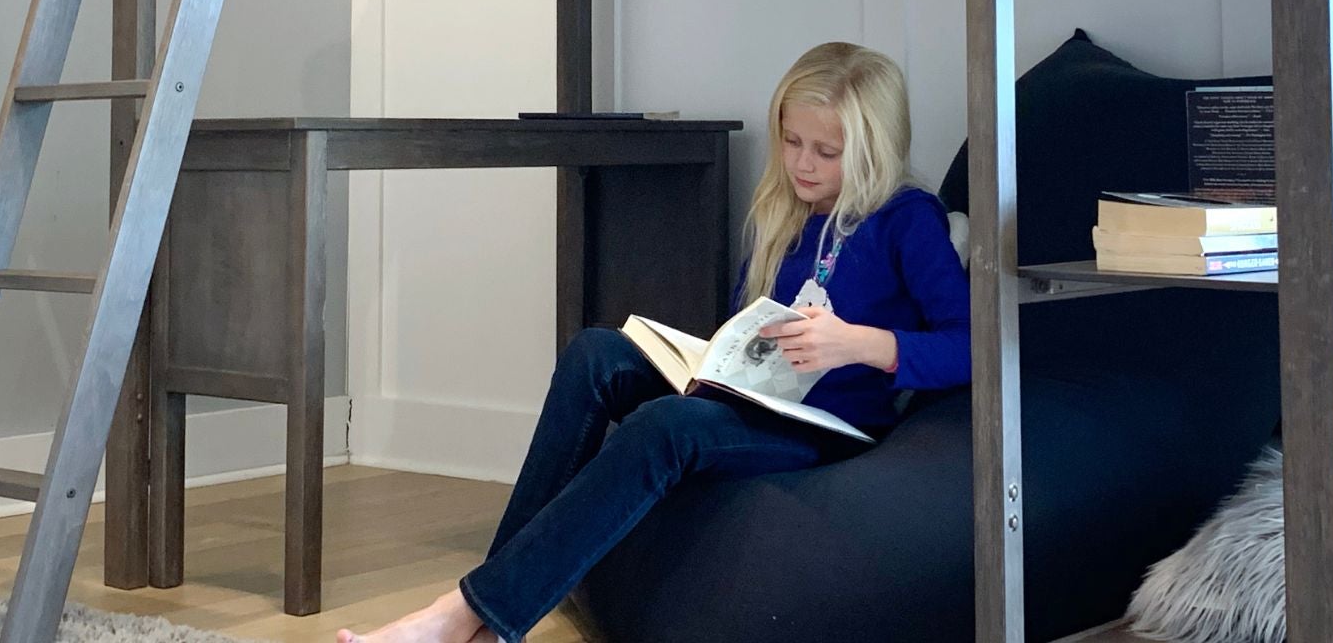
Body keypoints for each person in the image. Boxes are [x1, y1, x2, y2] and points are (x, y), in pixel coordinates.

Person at [339, 41, 971, 643]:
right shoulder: (783, 211)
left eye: (826, 151)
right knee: (596, 352)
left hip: (825, 425)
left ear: (872, 149)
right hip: (756, 399)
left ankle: (468, 613)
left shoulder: (907, 219)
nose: (802, 164)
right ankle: (492, 606)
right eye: (791, 141)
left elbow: (971, 346)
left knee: (667, 425)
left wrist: (860, 344)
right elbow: (748, 329)